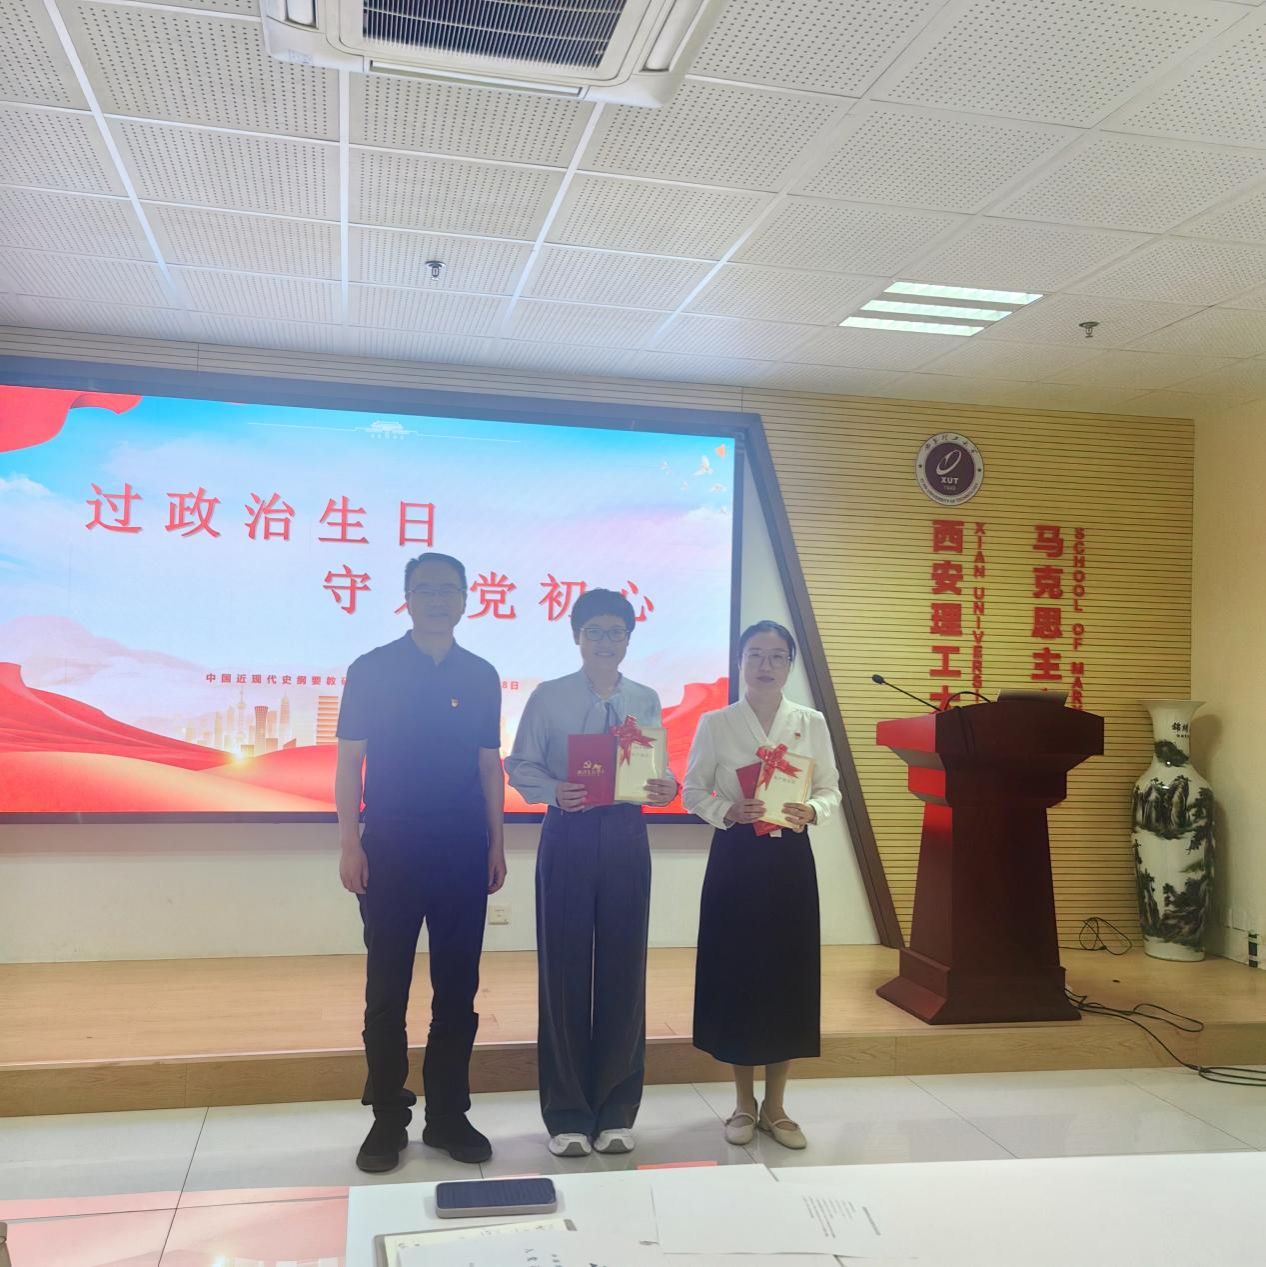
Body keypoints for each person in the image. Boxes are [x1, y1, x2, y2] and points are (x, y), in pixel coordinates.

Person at [335, 552, 507, 1173]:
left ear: (466, 599)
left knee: (458, 989)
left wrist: (496, 843)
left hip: (462, 850)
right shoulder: (372, 668)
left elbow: (489, 766)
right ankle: (387, 1116)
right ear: (406, 598)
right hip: (391, 849)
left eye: (449, 590)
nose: (438, 600)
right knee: (386, 991)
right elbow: (349, 763)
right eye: (426, 590)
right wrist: (350, 843)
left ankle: (448, 1115)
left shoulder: (481, 674)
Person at [505, 589, 677, 1158]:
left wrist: (666, 787)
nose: (606, 641)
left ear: (629, 638)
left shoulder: (645, 699)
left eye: (616, 632)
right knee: (564, 970)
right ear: (576, 636)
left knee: (626, 968)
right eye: (595, 631)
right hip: (570, 832)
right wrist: (555, 790)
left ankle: (618, 1110)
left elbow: (658, 771)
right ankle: (567, 1115)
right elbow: (519, 764)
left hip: (626, 834)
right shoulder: (549, 696)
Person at [683, 620, 840, 1151]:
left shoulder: (810, 722)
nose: (765, 665)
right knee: (739, 972)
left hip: (789, 857)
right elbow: (692, 791)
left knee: (786, 973)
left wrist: (811, 809)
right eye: (755, 655)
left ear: (790, 664)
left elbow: (830, 789)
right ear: (740, 661)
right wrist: (729, 810)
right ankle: (743, 1102)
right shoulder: (717, 722)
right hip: (736, 857)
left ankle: (777, 1104)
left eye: (776, 656)